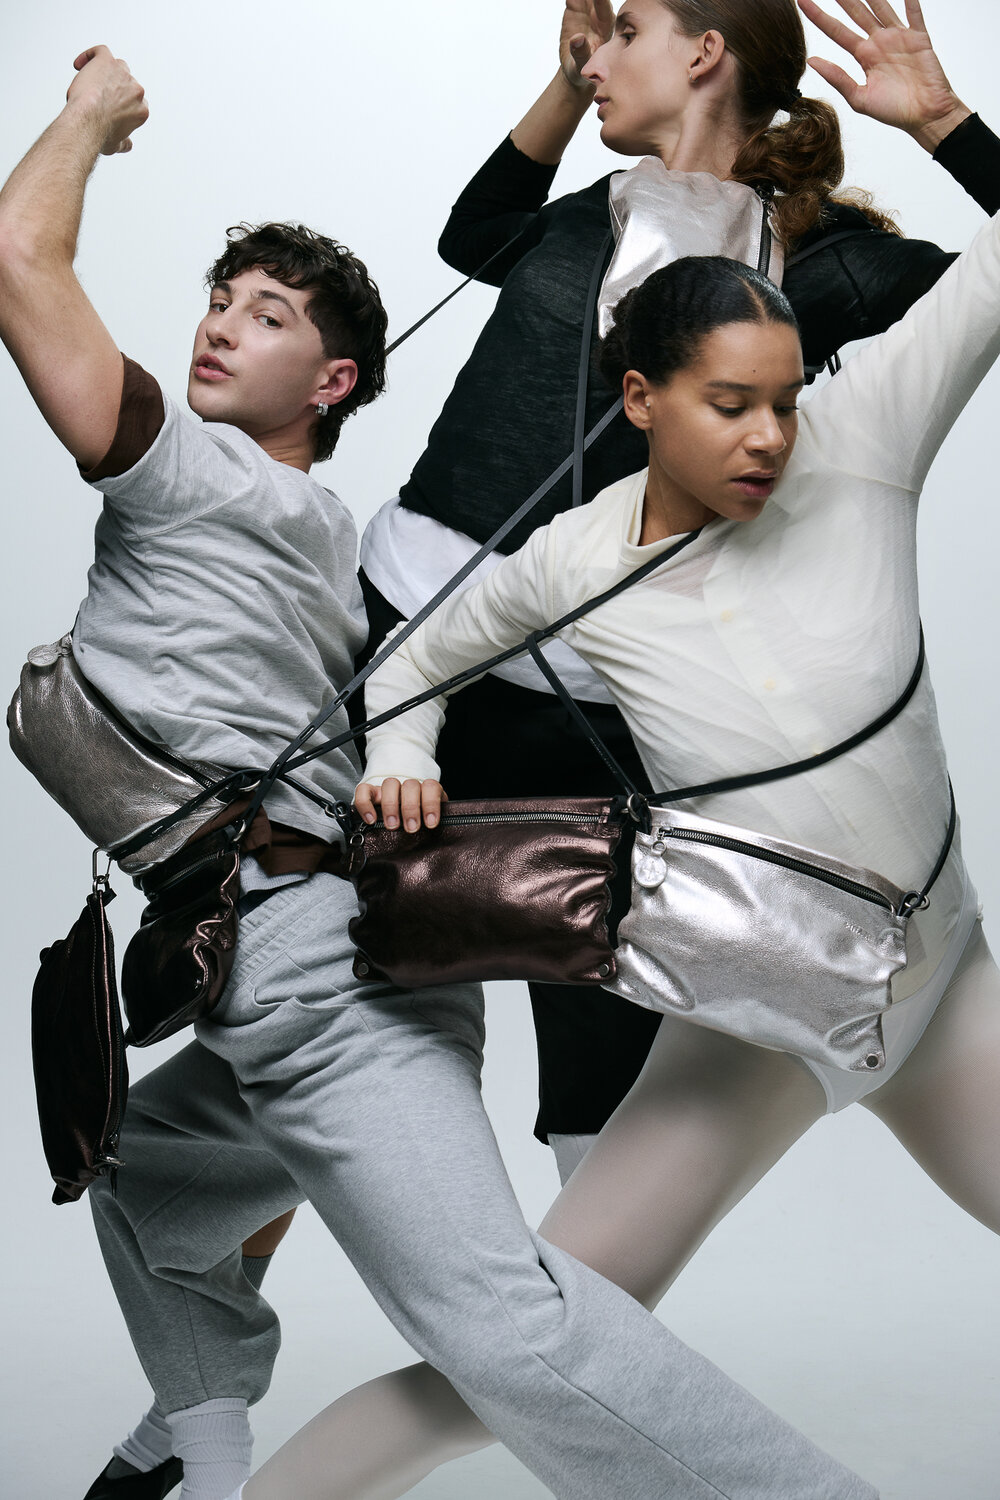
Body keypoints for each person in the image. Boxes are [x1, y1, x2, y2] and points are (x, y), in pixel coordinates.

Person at [0, 45, 878, 1500]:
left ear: (334, 380)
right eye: (218, 302)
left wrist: (91, 113)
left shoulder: (204, 484)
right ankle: (197, 1449)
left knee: (504, 1327)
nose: (221, 328)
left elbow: (23, 259)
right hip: (285, 961)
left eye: (268, 317)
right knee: (150, 1179)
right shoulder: (331, 543)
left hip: (321, 976)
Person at [338, 223, 1000, 1498]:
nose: (770, 436)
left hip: (944, 993)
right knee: (522, 1357)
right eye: (730, 403)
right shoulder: (571, 558)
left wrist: (947, 123)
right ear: (640, 399)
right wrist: (400, 753)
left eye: (786, 400)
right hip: (754, 1026)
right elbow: (414, 657)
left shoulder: (863, 440)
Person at [358, 0, 1000, 1187]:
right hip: (400, 643)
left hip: (590, 706)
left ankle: (587, 1324)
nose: (598, 59)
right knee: (316, 997)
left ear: (704, 53)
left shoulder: (825, 260)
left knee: (600, 1051)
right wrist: (565, 79)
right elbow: (472, 233)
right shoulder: (580, 214)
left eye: (625, 32)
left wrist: (946, 124)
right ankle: (225, 1338)